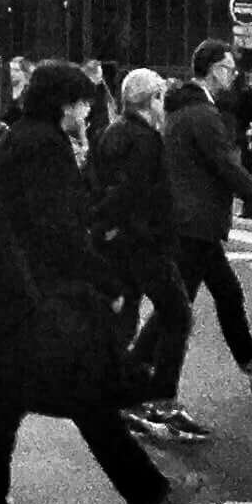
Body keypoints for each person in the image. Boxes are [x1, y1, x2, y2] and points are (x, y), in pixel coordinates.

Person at [0, 63, 191, 504]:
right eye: (83, 102)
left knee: (14, 402)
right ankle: (147, 494)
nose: (87, 111)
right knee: (80, 396)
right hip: (39, 298)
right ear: (65, 104)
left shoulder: (20, 139)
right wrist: (106, 280)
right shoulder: (45, 146)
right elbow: (58, 230)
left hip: (10, 293)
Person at [163, 43, 252, 413]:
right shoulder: (202, 114)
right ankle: (155, 395)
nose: (233, 75)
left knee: (228, 295)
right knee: (178, 314)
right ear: (212, 70)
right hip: (195, 225)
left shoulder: (182, 110)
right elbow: (230, 169)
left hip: (196, 225)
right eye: (228, 68)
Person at [94, 67, 201, 439]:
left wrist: (107, 229)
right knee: (177, 314)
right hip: (145, 246)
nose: (163, 105)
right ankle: (162, 400)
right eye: (160, 97)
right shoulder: (147, 141)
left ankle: (123, 397)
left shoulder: (110, 133)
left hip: (116, 246)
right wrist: (154, 234)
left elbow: (102, 188)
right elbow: (134, 193)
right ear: (150, 99)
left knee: (126, 321)